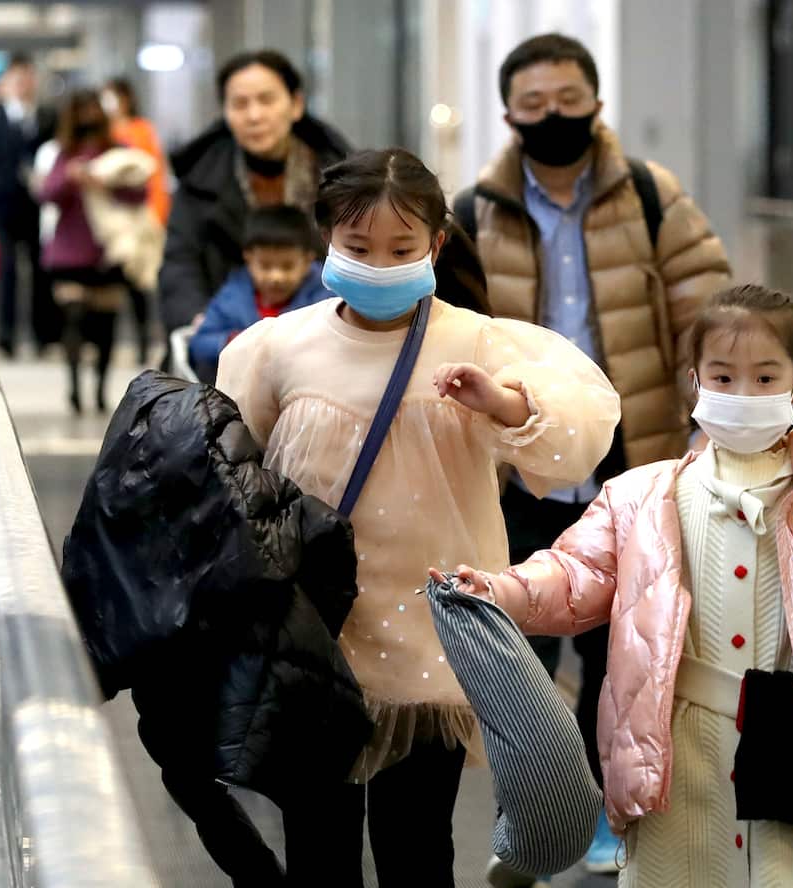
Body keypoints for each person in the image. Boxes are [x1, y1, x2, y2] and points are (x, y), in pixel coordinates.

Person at [215, 148, 620, 887]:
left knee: (417, 843)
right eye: (358, 247)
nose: (378, 264)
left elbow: (577, 438)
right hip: (316, 636)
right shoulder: (277, 347)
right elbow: (233, 468)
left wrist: (503, 404)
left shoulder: (478, 343)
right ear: (326, 241)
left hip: (436, 636)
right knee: (317, 843)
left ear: (435, 245)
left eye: (400, 249)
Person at [440, 285, 793, 888]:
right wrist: (500, 591)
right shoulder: (641, 496)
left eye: (764, 377)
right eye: (722, 377)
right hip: (676, 746)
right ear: (695, 381)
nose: (742, 394)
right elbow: (575, 577)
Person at [452, 33, 733, 874]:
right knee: (515, 660)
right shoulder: (473, 213)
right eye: (533, 105)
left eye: (568, 99)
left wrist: (708, 428)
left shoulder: (651, 195)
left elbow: (706, 314)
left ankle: (610, 814)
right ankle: (528, 820)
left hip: (634, 467)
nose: (553, 117)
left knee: (625, 657)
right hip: (518, 469)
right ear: (507, 114)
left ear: (598, 100)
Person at [158, 50, 350, 352]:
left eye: (267, 100)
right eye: (239, 104)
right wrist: (194, 316)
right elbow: (180, 262)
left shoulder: (342, 179)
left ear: (296, 104)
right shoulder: (200, 180)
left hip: (325, 338)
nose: (254, 115)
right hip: (228, 337)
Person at [37, 90, 148, 413]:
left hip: (108, 251)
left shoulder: (119, 152)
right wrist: (72, 178)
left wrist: (107, 183)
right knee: (73, 318)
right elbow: (48, 193)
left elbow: (139, 192)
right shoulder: (63, 154)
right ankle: (74, 389)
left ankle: (99, 389)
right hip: (71, 252)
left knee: (105, 326)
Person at [0, 53, 60, 356]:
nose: (23, 85)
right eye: (17, 80)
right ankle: (6, 336)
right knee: (7, 272)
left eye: (28, 79)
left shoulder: (46, 118)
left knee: (41, 272)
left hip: (39, 208)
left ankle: (44, 336)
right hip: (5, 208)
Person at [188, 205, 329, 379]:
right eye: (265, 266)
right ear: (248, 258)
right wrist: (232, 342)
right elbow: (199, 344)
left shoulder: (324, 298)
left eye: (287, 266)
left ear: (308, 261)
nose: (276, 277)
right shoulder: (233, 296)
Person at [102, 77, 170, 366]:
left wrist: (158, 213)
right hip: (114, 222)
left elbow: (155, 173)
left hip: (142, 219)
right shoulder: (103, 132)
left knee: (141, 285)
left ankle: (143, 342)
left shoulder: (142, 130)